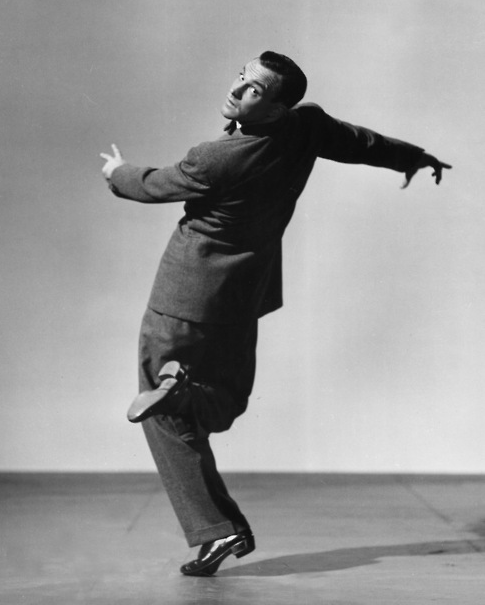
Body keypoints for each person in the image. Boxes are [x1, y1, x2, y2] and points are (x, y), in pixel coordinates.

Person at [100, 51, 451, 577]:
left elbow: (152, 185)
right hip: (243, 296)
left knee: (164, 416)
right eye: (241, 76)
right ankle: (188, 406)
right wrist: (413, 157)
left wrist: (115, 171)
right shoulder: (307, 126)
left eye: (255, 89)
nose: (237, 89)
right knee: (229, 401)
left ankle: (210, 504)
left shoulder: (215, 159)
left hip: (183, 298)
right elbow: (362, 143)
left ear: (277, 106)